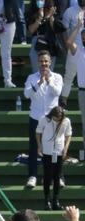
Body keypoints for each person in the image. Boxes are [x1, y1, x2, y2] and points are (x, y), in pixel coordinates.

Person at [22, 53, 63, 189]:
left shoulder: (57, 77)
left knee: (55, 149)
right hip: (36, 117)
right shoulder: (32, 78)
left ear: (50, 62)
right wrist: (39, 82)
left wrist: (48, 81)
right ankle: (33, 176)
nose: (44, 64)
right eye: (41, 61)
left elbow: (57, 92)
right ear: (38, 62)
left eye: (46, 61)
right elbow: (27, 94)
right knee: (34, 148)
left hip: (52, 119)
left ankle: (57, 176)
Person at [36, 107, 72, 210]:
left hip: (59, 151)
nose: (58, 120)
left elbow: (68, 135)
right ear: (52, 115)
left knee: (57, 177)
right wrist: (39, 146)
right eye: (56, 118)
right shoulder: (44, 120)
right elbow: (38, 132)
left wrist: (65, 148)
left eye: (60, 118)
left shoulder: (66, 121)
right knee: (47, 176)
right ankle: (46, 201)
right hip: (47, 151)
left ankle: (55, 201)